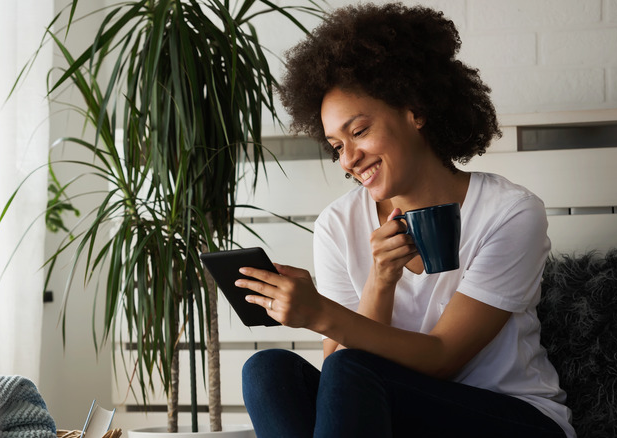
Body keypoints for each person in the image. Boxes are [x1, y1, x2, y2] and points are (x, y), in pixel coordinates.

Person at [235, 3, 575, 438]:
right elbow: (340, 368)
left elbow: (443, 357)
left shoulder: (509, 212)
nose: (349, 160)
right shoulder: (337, 225)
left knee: (353, 369)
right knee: (268, 369)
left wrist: (319, 311)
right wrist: (380, 281)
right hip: (399, 415)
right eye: (336, 145)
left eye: (358, 132)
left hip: (511, 417)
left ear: (414, 110)